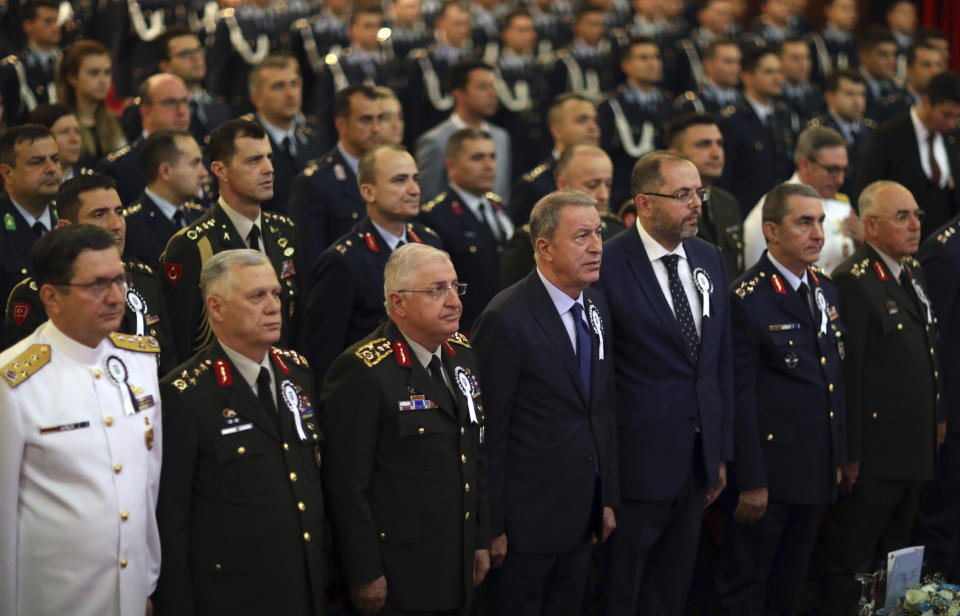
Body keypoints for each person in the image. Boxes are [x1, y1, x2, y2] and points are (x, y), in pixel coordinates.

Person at [596, 151, 733, 616]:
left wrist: (717, 451)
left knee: (671, 590)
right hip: (636, 465)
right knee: (622, 590)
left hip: (695, 462)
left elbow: (717, 363)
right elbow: (601, 376)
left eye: (699, 193)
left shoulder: (709, 257)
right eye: (682, 195)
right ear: (644, 204)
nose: (696, 204)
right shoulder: (608, 264)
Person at [0, 224, 162, 615]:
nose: (115, 297)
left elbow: (147, 485)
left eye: (120, 280)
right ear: (51, 297)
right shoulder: (15, 382)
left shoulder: (140, 363)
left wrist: (146, 582)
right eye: (96, 285)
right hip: (53, 599)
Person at [320, 243, 490, 615]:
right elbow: (347, 488)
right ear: (398, 304)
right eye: (436, 290)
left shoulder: (461, 353)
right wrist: (364, 573)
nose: (453, 301)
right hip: (399, 570)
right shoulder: (362, 371)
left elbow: (474, 453)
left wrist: (479, 538)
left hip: (456, 558)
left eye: (455, 287)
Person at [154, 249, 324, 615]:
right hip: (233, 593)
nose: (273, 306)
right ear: (216, 308)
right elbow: (171, 519)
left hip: (302, 583)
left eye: (276, 294)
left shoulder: (297, 372)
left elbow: (309, 478)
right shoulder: (185, 394)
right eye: (256, 296)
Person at [472, 190, 618, 615]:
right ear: (544, 247)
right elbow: (489, 433)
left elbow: (601, 409)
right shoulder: (505, 318)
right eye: (581, 237)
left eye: (598, 234)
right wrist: (491, 526)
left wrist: (605, 497)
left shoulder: (594, 304)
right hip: (524, 527)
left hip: (581, 517)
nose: (596, 247)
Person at [716, 183, 846, 615]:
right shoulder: (747, 299)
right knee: (749, 583)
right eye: (804, 222)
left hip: (814, 469)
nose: (818, 234)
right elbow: (741, 398)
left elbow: (831, 382)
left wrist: (841, 455)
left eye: (821, 222)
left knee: (793, 585)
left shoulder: (825, 289)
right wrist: (751, 480)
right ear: (770, 230)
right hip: (769, 476)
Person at [820, 180, 941, 616]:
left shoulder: (912, 271)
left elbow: (929, 354)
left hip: (912, 449)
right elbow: (848, 375)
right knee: (852, 559)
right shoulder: (853, 282)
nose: (914, 226)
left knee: (900, 558)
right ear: (870, 227)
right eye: (902, 217)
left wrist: (937, 417)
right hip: (873, 455)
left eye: (917, 216)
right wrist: (850, 451)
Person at [3, 173, 177, 374]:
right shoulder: (39, 296)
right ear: (66, 229)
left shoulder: (144, 279)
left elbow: (168, 366)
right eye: (100, 215)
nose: (116, 225)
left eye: (119, 212)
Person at [302, 143, 442, 387]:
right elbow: (324, 357)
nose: (414, 190)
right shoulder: (343, 261)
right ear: (368, 192)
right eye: (399, 181)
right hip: (371, 392)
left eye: (415, 179)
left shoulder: (430, 241)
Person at [161, 119, 299, 361]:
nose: (268, 168)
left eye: (269, 157)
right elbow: (178, 343)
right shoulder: (193, 245)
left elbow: (297, 328)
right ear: (220, 170)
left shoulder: (284, 232)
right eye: (254, 160)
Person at [419, 127, 514, 331]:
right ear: (451, 166)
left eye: (492, 157)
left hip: (504, 322)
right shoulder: (435, 217)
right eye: (478, 158)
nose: (489, 166)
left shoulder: (500, 208)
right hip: (465, 328)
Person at [500, 144, 623, 288]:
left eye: (608, 185)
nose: (604, 195)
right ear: (563, 185)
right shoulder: (528, 243)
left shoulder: (618, 231)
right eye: (592, 185)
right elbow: (516, 301)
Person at [857, 70, 960, 240]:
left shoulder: (953, 137)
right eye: (946, 115)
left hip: (946, 246)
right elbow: (867, 192)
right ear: (926, 101)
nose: (951, 124)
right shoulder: (887, 136)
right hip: (901, 242)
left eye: (956, 117)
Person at [743, 126, 859, 273]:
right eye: (832, 170)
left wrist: (863, 244)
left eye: (844, 170)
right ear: (804, 165)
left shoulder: (843, 206)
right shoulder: (772, 209)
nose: (840, 180)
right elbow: (755, 271)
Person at [288, 84, 380, 268]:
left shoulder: (388, 174)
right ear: (341, 125)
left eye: (380, 119)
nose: (376, 128)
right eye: (365, 120)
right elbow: (309, 262)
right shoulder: (315, 182)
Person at [915, 210, 960, 580]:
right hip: (954, 416)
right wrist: (939, 410)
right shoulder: (944, 252)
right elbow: (933, 344)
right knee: (944, 522)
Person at [415, 59, 512, 203]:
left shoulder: (500, 137)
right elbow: (428, 201)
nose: (492, 94)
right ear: (459, 94)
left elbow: (502, 195)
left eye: (494, 87)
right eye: (483, 87)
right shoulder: (436, 141)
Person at [717, 45, 796, 216]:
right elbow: (725, 177)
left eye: (779, 71)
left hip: (780, 212)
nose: (778, 78)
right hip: (745, 212)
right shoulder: (732, 120)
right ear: (747, 76)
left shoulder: (784, 116)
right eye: (769, 72)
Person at [119, 26, 232, 145]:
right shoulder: (142, 111)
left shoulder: (219, 106)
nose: (196, 58)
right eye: (185, 53)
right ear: (165, 65)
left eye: (198, 50)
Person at [598, 36, 676, 209]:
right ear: (626, 65)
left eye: (656, 57)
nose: (653, 63)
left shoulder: (667, 104)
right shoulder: (612, 105)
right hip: (625, 194)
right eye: (644, 58)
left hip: (662, 191)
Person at [667, 112, 744, 280]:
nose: (716, 153)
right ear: (675, 154)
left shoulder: (728, 203)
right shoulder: (667, 206)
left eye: (719, 144)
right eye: (704, 145)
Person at [248, 54, 329, 214]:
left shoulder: (316, 135)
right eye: (278, 86)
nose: (290, 94)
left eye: (294, 84)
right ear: (257, 98)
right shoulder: (245, 142)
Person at [96, 73, 192, 205]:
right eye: (171, 102)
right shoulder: (116, 169)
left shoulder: (201, 158)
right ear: (146, 111)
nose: (182, 111)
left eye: (185, 102)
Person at [510, 93, 600, 227]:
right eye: (582, 120)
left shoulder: (602, 176)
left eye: (594, 120)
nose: (593, 128)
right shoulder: (534, 186)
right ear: (557, 130)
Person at [0, 124, 61, 319]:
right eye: (37, 162)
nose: (51, 169)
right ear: (7, 173)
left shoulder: (70, 219)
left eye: (55, 159)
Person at [123, 130, 208, 268]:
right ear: (166, 171)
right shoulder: (130, 229)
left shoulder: (200, 217)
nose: (204, 173)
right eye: (194, 163)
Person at [56, 40, 126, 168]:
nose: (103, 80)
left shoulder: (117, 122)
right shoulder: (58, 125)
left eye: (107, 72)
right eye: (94, 73)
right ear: (72, 77)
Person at [808, 69, 873, 202]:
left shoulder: (871, 131)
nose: (857, 101)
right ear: (830, 97)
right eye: (849, 94)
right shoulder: (817, 132)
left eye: (861, 95)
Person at [0, 0, 62, 127]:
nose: (55, 27)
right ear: (28, 26)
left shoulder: (68, 61)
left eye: (56, 21)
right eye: (48, 21)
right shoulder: (15, 68)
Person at [674, 39, 743, 114]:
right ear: (707, 64)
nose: (736, 68)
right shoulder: (692, 103)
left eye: (738, 62)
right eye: (728, 61)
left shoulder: (743, 100)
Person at [27, 103, 88, 182]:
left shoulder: (88, 180)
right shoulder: (32, 185)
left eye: (77, 131)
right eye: (65, 132)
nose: (74, 139)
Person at [807, 0, 859, 84]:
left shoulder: (858, 43)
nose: (852, 14)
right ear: (828, 11)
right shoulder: (815, 42)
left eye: (854, 9)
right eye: (845, 8)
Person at [857, 25, 902, 120]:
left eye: (894, 55)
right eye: (884, 54)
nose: (892, 61)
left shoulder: (897, 90)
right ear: (864, 56)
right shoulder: (850, 87)